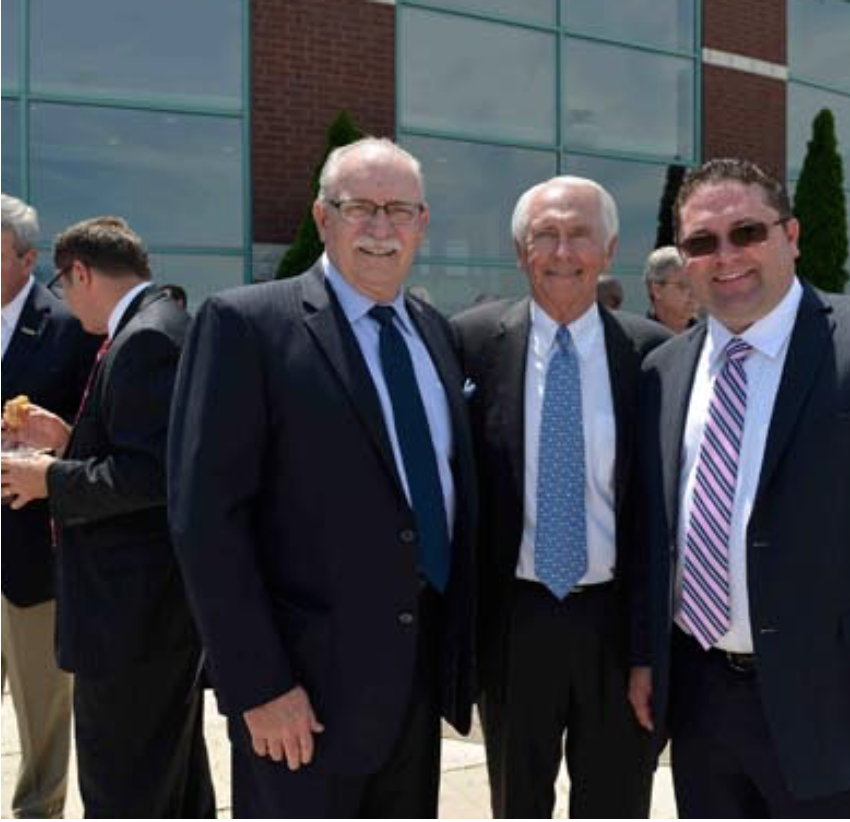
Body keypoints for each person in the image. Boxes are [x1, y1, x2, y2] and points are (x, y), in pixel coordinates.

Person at [628, 158, 850, 817]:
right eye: (703, 243)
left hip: (849, 712)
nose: (726, 256)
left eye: (747, 232)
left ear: (791, 235)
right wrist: (647, 656)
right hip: (704, 711)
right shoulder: (664, 370)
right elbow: (658, 534)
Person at [167, 137, 477, 818]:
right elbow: (206, 520)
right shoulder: (247, 325)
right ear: (321, 217)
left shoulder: (436, 334)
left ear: (422, 223)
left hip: (417, 681)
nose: (379, 227)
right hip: (300, 696)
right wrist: (258, 683)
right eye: (358, 207)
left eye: (398, 210)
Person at [452, 176, 669, 817]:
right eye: (543, 234)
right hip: (515, 624)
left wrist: (649, 649)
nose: (562, 250)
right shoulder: (469, 343)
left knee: (616, 802)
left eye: (579, 234)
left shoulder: (653, 355)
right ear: (521, 252)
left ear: (608, 248)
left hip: (615, 625)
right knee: (517, 801)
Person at [1, 216, 215, 817]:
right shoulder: (157, 324)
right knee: (170, 779)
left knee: (124, 786)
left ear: (83, 273)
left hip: (131, 617)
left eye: (63, 285)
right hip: (147, 614)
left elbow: (150, 479)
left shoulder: (144, 339)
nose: (63, 301)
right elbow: (142, 455)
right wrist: (68, 440)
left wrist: (48, 478)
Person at [0, 194, 100, 819]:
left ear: (27, 258)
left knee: (41, 704)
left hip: (28, 549)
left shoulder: (66, 330)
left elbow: (91, 436)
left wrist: (51, 443)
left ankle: (39, 809)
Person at [643, 245, 699, 333]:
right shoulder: (639, 341)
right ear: (657, 290)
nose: (693, 294)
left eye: (696, 285)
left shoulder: (709, 340)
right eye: (682, 286)